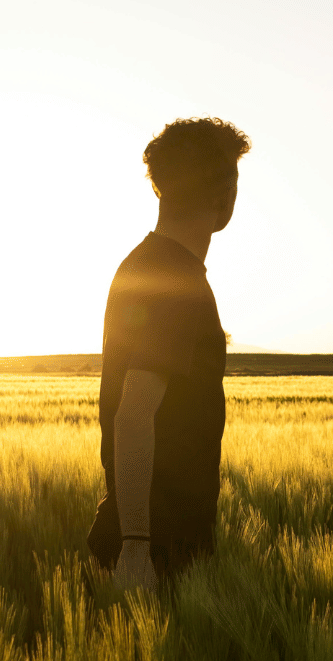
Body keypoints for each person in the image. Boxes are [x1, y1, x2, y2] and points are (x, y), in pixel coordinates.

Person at [87, 117, 251, 591]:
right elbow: (133, 414)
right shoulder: (174, 280)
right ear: (225, 197)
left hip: (151, 542)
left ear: (162, 190)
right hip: (157, 553)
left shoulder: (147, 265)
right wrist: (137, 547)